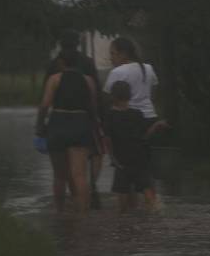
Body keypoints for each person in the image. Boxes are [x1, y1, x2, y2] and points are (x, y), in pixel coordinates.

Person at [45, 29, 104, 209]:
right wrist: (97, 122)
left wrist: (40, 126)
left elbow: (44, 101)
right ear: (78, 43)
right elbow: (96, 96)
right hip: (82, 121)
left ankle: (60, 214)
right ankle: (83, 214)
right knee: (80, 174)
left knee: (59, 175)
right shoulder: (87, 64)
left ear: (61, 44)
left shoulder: (55, 66)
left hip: (58, 121)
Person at [105, 80, 168, 212]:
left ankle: (126, 223)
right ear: (130, 96)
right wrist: (156, 125)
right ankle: (157, 214)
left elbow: (108, 140)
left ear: (113, 97)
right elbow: (145, 136)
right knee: (148, 192)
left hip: (122, 161)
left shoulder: (109, 116)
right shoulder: (137, 114)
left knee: (122, 203)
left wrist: (113, 159)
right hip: (140, 159)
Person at [103, 37, 160, 131]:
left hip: (127, 121)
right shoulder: (149, 68)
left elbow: (107, 98)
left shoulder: (117, 72)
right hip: (150, 117)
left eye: (113, 54)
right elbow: (153, 93)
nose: (111, 58)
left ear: (123, 54)